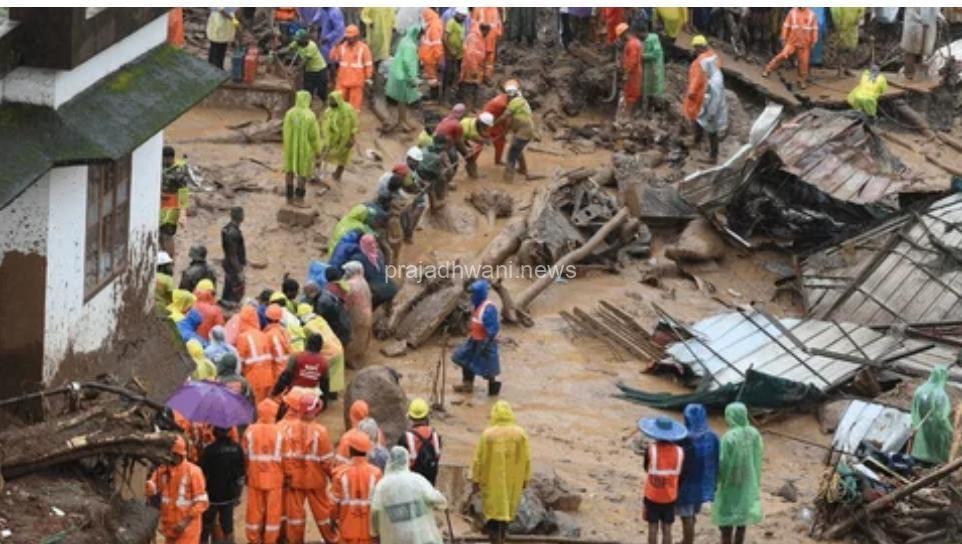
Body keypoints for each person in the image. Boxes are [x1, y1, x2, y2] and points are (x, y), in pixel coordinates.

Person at [283, 394, 338, 544]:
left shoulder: (287, 429)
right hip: (316, 481)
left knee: (295, 517)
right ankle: (332, 539)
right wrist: (334, 478)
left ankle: (295, 541)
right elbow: (327, 462)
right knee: (324, 515)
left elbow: (284, 457)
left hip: (294, 481)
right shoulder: (321, 432)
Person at [472, 401, 530, 544]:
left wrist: (475, 479)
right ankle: (503, 535)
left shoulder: (488, 435)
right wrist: (525, 479)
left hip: (492, 480)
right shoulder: (520, 434)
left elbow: (478, 459)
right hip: (513, 481)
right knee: (508, 509)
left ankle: (496, 538)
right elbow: (527, 459)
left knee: (494, 509)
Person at [370, 446, 449, 544]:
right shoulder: (418, 480)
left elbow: (375, 511)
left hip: (396, 537)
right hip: (422, 537)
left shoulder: (382, 486)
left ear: (389, 462)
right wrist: (442, 500)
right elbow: (438, 501)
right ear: (406, 461)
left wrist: (374, 532)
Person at [713, 402, 763, 544]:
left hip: (731, 481)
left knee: (726, 515)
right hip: (748, 479)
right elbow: (758, 456)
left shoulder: (729, 437)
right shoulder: (754, 433)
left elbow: (723, 461)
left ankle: (726, 541)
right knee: (742, 516)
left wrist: (718, 480)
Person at [146, 436, 209, 543]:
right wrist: (149, 485)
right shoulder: (162, 471)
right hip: (170, 529)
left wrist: (184, 522)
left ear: (178, 454)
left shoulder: (194, 472)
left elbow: (202, 503)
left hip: (188, 530)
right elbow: (152, 490)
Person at [639, 416, 687, 544]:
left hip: (652, 495)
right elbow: (682, 475)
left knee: (652, 527)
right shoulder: (680, 452)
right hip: (670, 496)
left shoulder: (651, 449)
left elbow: (646, 467)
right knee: (667, 528)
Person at [243, 399, 285, 544]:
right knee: (273, 514)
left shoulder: (250, 430)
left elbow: (245, 454)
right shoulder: (280, 431)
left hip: (255, 478)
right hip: (275, 479)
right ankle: (270, 540)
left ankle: (253, 539)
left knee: (254, 512)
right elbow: (285, 457)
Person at [677, 404, 719, 544]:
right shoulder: (712, 436)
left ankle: (688, 541)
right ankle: (686, 539)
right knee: (693, 512)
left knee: (686, 515)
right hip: (703, 482)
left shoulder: (683, 437)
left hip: (686, 482)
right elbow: (717, 459)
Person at [452, 279, 502, 395]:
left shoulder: (489, 309)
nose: (471, 296)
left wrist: (485, 344)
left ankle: (493, 391)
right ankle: (467, 384)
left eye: (473, 294)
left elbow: (492, 329)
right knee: (464, 358)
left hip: (486, 342)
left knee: (489, 368)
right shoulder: (476, 305)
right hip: (474, 339)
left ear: (479, 294)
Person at [332, 432, 383, 544]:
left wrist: (332, 521)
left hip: (347, 533)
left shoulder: (340, 474)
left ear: (350, 450)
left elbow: (334, 506)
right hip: (370, 534)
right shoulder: (376, 473)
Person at [199, 427, 245, 544]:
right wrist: (238, 494)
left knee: (206, 527)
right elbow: (241, 474)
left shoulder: (208, 450)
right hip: (229, 495)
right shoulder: (237, 448)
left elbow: (201, 474)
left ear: (215, 432)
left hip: (211, 495)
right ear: (229, 431)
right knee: (228, 527)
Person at [684, 35, 725, 163]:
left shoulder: (702, 60)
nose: (695, 51)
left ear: (699, 47)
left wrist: (691, 91)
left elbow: (697, 78)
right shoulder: (713, 56)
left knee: (710, 124)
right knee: (699, 117)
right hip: (711, 93)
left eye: (696, 48)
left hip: (705, 95)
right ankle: (697, 139)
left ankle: (713, 156)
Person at [297, 303, 346, 401]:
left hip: (327, 353)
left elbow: (307, 344)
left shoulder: (307, 327)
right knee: (335, 374)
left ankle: (323, 398)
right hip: (337, 347)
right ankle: (333, 395)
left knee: (323, 376)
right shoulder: (320, 319)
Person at [282, 89, 323, 205]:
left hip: (290, 148)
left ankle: (289, 197)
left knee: (289, 171)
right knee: (302, 172)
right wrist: (317, 151)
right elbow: (314, 136)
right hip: (304, 149)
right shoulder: (310, 116)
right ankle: (299, 197)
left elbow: (285, 131)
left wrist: (287, 145)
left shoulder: (289, 113)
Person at [763, 7, 818, 89]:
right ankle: (768, 69)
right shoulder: (792, 12)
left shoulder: (812, 14)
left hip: (805, 43)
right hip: (792, 41)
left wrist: (814, 40)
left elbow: (814, 29)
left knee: (804, 63)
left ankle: (801, 81)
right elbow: (786, 25)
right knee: (782, 55)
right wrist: (783, 37)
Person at [911, 366, 954, 465]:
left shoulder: (920, 389)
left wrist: (914, 422)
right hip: (935, 426)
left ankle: (920, 457)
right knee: (939, 442)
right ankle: (935, 462)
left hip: (920, 423)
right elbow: (942, 417)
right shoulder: (940, 394)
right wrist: (950, 430)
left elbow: (914, 409)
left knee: (923, 442)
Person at [496, 80, 536, 182]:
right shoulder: (521, 101)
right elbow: (510, 120)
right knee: (517, 150)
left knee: (511, 155)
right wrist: (505, 131)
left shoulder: (516, 102)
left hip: (524, 132)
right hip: (525, 130)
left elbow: (505, 116)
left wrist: (493, 124)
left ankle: (508, 180)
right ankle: (523, 171)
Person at [386, 25, 422, 132]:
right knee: (403, 100)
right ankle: (402, 121)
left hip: (398, 73)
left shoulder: (404, 40)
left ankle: (403, 120)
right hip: (403, 76)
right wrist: (412, 78)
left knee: (402, 101)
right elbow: (408, 63)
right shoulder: (410, 46)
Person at [272, 332, 328, 401]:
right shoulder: (324, 362)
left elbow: (285, 378)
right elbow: (324, 385)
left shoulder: (296, 356)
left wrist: (275, 392)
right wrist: (324, 402)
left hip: (294, 395)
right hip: (310, 398)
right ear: (320, 346)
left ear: (307, 344)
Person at [399, 398, 442, 485]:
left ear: (410, 417)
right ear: (427, 416)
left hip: (411, 485)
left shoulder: (405, 437)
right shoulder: (435, 436)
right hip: (430, 485)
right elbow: (437, 456)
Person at [331, 25, 374, 111]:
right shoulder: (342, 46)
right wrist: (336, 46)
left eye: (351, 37)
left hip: (356, 82)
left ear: (357, 37)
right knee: (338, 103)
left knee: (354, 108)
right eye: (347, 37)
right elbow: (333, 57)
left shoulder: (363, 48)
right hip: (342, 80)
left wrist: (368, 78)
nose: (349, 39)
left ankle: (352, 122)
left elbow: (368, 63)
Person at [236, 305, 274, 404]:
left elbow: (240, 362)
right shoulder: (263, 335)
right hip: (268, 377)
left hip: (253, 378)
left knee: (253, 407)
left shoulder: (242, 337)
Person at [320, 90, 359, 182]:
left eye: (333, 101)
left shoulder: (348, 109)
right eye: (330, 100)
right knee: (323, 153)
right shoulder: (329, 110)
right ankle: (319, 172)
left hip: (345, 138)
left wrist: (352, 137)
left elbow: (355, 123)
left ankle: (338, 174)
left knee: (343, 157)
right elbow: (324, 123)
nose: (330, 103)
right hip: (331, 138)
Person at [160, 146, 190, 259]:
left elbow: (183, 193)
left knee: (167, 235)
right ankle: (161, 260)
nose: (162, 161)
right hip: (160, 207)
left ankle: (169, 261)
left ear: (169, 158)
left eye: (164, 159)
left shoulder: (179, 172)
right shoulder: (161, 166)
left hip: (172, 209)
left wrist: (183, 214)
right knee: (159, 236)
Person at [342, 261, 374, 366]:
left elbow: (347, 303)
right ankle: (359, 355)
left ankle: (350, 359)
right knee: (363, 336)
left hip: (356, 315)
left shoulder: (350, 285)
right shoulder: (363, 281)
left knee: (354, 337)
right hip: (367, 312)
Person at [901, 8, 940, 80]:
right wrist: (923, 19)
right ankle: (909, 74)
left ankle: (918, 75)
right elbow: (912, 12)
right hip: (913, 25)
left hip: (926, 25)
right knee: (911, 51)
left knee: (921, 51)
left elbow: (935, 9)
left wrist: (939, 16)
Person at [460, 22, 491, 111]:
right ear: (484, 30)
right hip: (470, 68)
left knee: (475, 88)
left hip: (477, 68)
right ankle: (468, 108)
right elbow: (470, 55)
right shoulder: (474, 38)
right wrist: (473, 70)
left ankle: (472, 107)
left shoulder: (480, 37)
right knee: (469, 88)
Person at [617, 23, 643, 120]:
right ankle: (628, 115)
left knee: (631, 94)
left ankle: (627, 116)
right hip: (634, 71)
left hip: (633, 73)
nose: (621, 39)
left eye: (621, 36)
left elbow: (633, 61)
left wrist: (626, 73)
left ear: (624, 34)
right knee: (630, 94)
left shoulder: (632, 44)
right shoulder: (634, 42)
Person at [221, 207, 246, 304]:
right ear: (241, 217)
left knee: (228, 288)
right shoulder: (234, 233)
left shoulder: (227, 229)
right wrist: (239, 271)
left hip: (228, 263)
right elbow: (233, 254)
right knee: (236, 291)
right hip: (233, 266)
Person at [443, 8, 468, 104]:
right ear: (458, 15)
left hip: (459, 54)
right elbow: (445, 38)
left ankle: (454, 97)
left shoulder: (461, 24)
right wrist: (450, 49)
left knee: (456, 75)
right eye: (463, 17)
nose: (464, 19)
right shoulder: (451, 22)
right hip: (450, 54)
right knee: (449, 75)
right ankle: (445, 99)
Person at [829, 8, 864, 75]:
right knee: (840, 48)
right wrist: (838, 23)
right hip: (842, 26)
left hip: (853, 27)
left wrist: (860, 17)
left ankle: (847, 69)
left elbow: (862, 9)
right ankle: (840, 69)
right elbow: (834, 10)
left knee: (852, 48)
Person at [420, 8, 445, 101]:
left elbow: (436, 45)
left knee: (433, 78)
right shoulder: (432, 24)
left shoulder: (434, 27)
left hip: (431, 57)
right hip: (429, 56)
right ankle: (433, 96)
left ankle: (434, 98)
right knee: (432, 78)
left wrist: (439, 58)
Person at [460, 112, 494, 178]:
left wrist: (487, 137)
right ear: (483, 123)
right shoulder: (472, 128)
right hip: (457, 140)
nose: (487, 127)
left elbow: (481, 132)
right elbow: (476, 138)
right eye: (486, 125)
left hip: (463, 137)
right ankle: (473, 176)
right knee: (470, 158)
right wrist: (486, 141)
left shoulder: (476, 122)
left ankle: (472, 175)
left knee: (470, 158)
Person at [472, 7, 502, 81]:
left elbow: (498, 24)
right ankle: (480, 78)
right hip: (481, 40)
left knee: (489, 60)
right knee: (480, 59)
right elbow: (473, 24)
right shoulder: (478, 9)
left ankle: (486, 77)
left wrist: (498, 35)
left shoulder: (493, 9)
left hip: (490, 40)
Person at [483, 90, 510, 166]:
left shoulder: (502, 97)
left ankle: (498, 161)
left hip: (490, 119)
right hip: (488, 121)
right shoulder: (503, 104)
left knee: (500, 142)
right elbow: (505, 119)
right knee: (481, 141)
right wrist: (505, 131)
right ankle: (471, 160)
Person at [642, 30, 665, 114]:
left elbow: (656, 54)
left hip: (655, 67)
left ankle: (658, 109)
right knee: (649, 87)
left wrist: (642, 56)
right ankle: (650, 108)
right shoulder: (645, 40)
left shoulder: (654, 39)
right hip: (648, 67)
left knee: (656, 87)